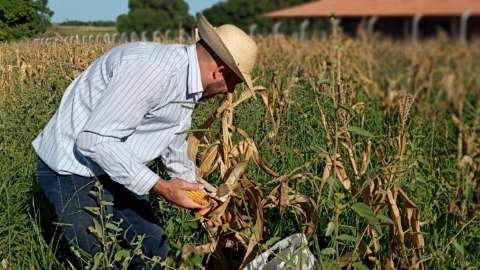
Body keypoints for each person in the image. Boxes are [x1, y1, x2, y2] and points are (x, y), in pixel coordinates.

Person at [32, 13, 257, 269]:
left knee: (153, 246)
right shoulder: (154, 71)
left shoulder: (186, 81)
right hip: (73, 168)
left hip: (115, 165)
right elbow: (94, 140)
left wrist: (197, 194)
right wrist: (162, 186)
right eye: (234, 83)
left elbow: (173, 139)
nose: (230, 92)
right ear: (221, 73)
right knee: (101, 258)